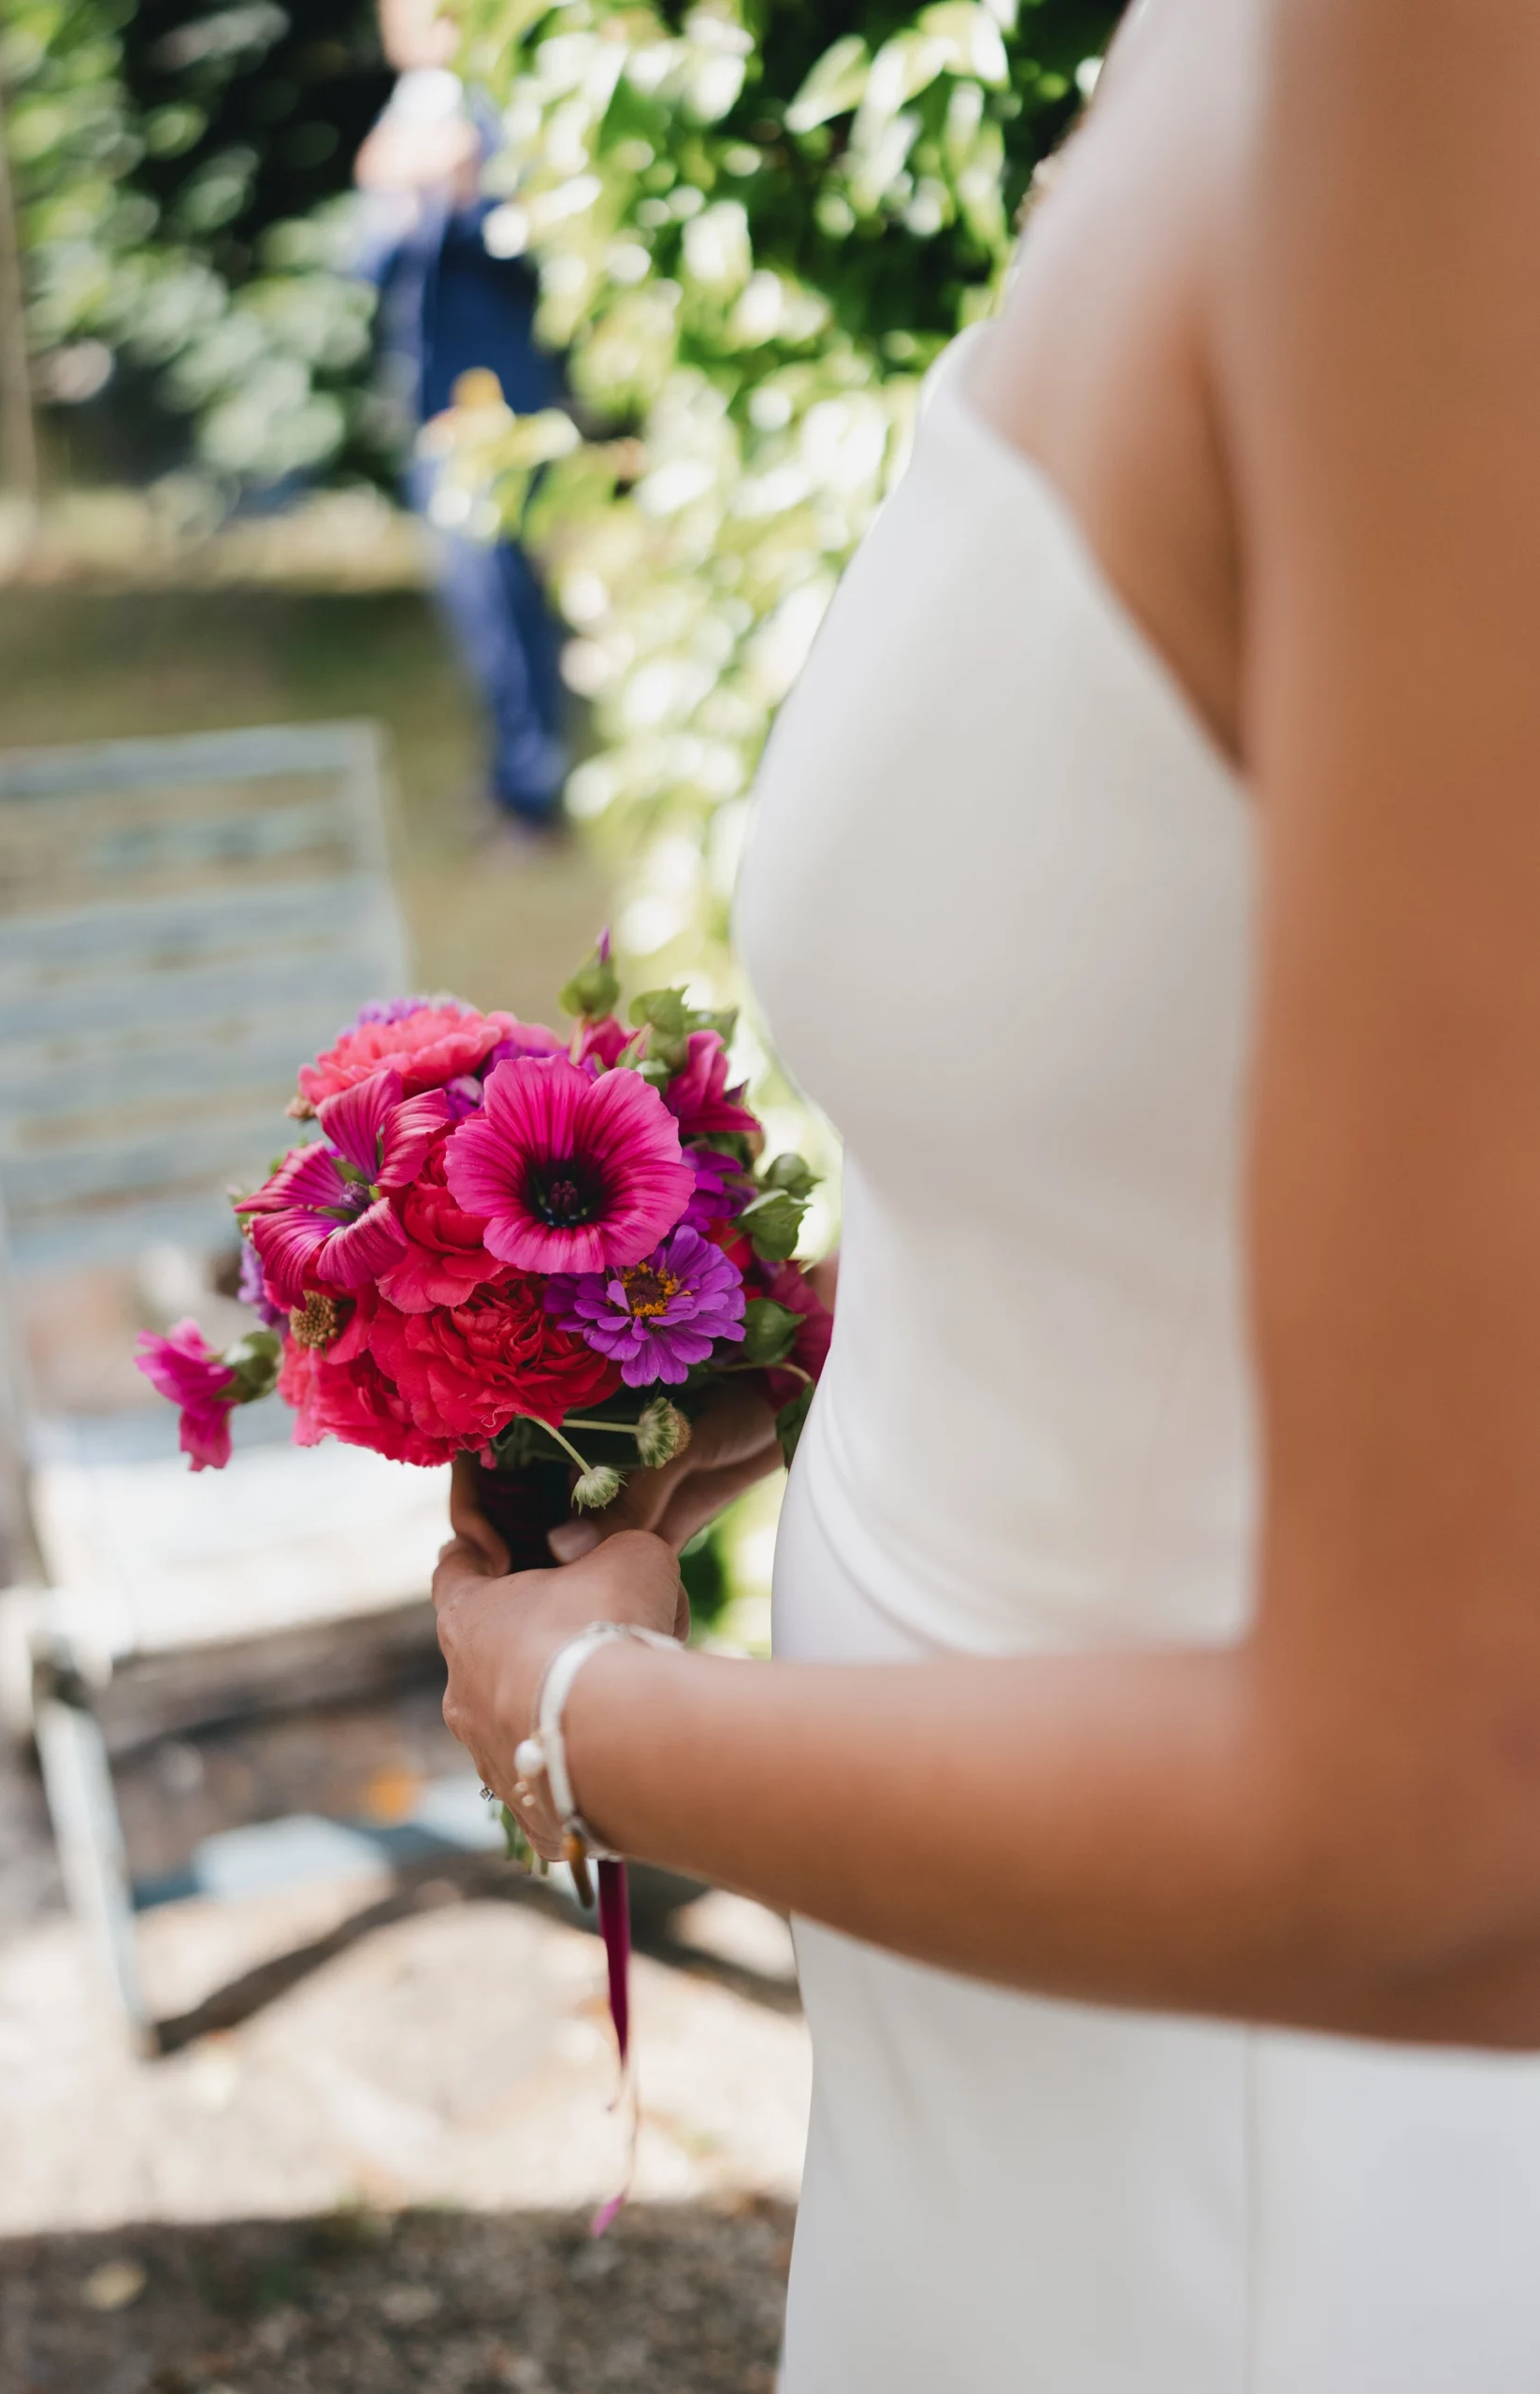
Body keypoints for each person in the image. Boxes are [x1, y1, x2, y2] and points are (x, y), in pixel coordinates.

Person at [433, 0, 1540, 2382]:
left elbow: (1452, 1829)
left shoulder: (1438, 74)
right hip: (1011, 2110)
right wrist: (795, 1330)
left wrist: (577, 1715)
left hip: (1258, 2196)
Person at [354, 0, 568, 829]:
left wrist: (464, 185)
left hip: (495, 400)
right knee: (471, 603)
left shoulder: (498, 108)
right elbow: (364, 259)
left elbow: (533, 239)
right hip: (425, 404)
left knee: (507, 593)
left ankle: (532, 795)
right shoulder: (398, 120)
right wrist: (395, 188)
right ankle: (504, 774)